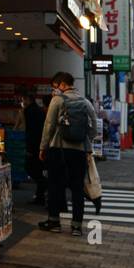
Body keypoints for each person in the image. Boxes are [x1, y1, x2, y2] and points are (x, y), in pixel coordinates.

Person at [38, 72, 93, 235]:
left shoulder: (57, 100)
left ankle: (54, 222)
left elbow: (48, 126)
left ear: (62, 84)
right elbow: (94, 128)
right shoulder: (85, 102)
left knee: (55, 185)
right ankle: (76, 226)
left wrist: (43, 147)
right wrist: (84, 142)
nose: (55, 90)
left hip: (58, 149)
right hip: (79, 152)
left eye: (55, 87)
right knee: (77, 188)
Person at [22, 91, 47, 204]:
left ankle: (42, 188)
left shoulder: (29, 111)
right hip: (41, 143)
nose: (23, 102)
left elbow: (30, 130)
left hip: (33, 145)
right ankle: (40, 194)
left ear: (28, 99)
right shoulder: (40, 110)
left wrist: (29, 147)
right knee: (38, 169)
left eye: (24, 100)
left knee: (31, 168)